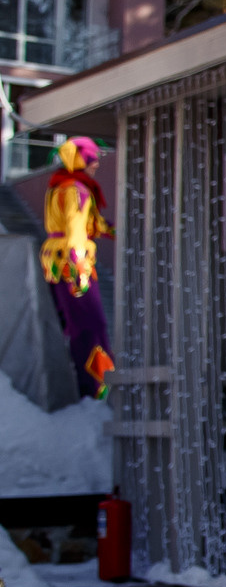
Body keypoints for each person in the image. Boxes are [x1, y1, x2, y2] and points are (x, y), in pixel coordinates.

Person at [40, 136, 114, 401]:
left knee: (77, 326)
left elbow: (90, 224)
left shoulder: (60, 186)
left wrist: (115, 231)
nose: (95, 165)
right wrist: (79, 265)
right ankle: (96, 389)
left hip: (59, 261)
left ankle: (89, 387)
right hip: (72, 263)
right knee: (91, 326)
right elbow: (75, 230)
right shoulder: (75, 189)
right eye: (92, 158)